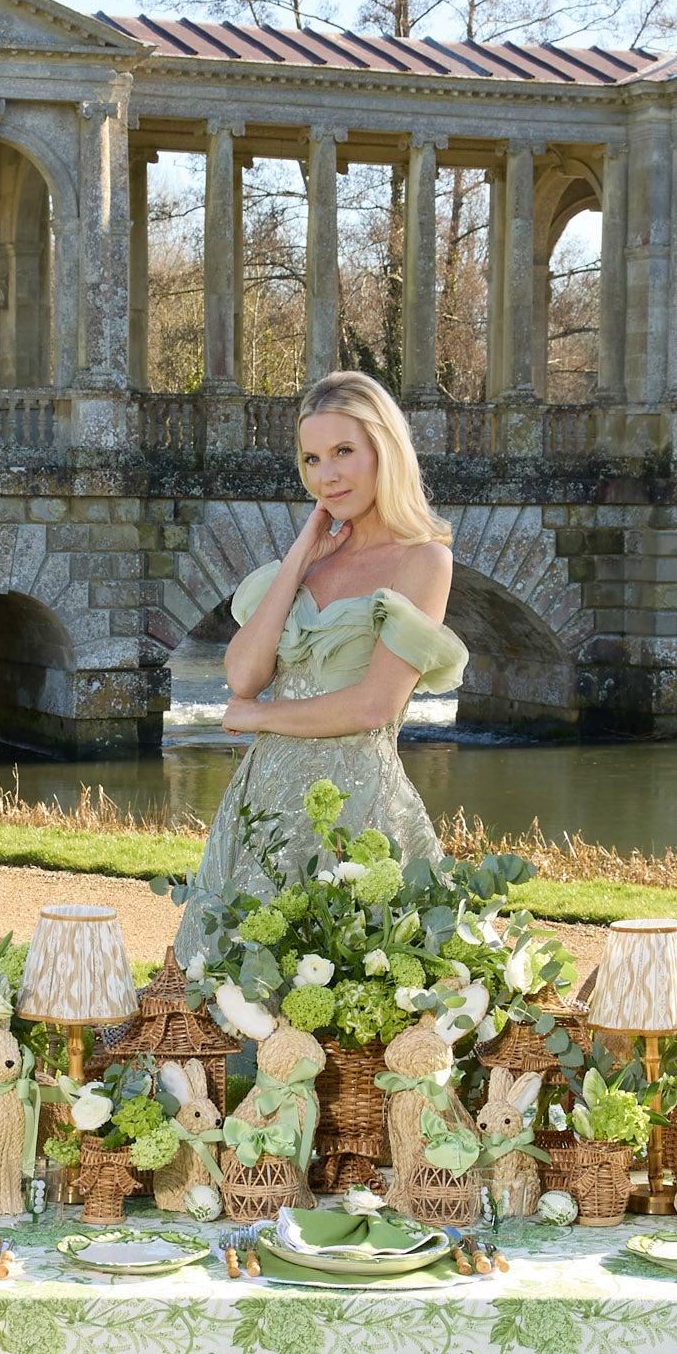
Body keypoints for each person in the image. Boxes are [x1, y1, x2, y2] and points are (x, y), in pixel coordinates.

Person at [174, 370, 468, 964]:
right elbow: (242, 676)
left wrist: (259, 718)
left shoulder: (423, 562)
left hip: (355, 814)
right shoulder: (312, 561)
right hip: (261, 807)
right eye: (311, 458)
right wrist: (302, 554)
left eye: (343, 452)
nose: (326, 475)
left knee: (346, 989)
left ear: (383, 450)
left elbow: (374, 705)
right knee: (234, 988)